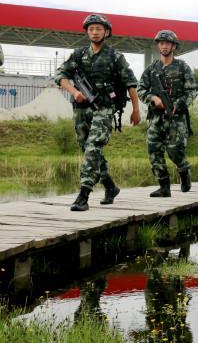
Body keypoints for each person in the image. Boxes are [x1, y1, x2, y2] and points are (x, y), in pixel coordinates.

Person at [54, 13, 141, 211]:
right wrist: (75, 92)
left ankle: (83, 195)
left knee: (93, 147)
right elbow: (60, 75)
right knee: (87, 148)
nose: (94, 32)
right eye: (91, 29)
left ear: (106, 32)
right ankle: (110, 186)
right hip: (81, 110)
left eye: (98, 29)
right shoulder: (78, 55)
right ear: (87, 32)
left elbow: (131, 83)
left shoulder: (115, 56)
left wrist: (136, 109)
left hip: (104, 109)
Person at [138, 30, 196, 197]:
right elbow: (141, 89)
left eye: (167, 43)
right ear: (158, 45)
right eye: (161, 43)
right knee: (154, 151)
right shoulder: (151, 69)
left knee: (175, 150)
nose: (164, 46)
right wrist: (153, 98)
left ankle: (184, 171)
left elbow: (191, 90)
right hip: (156, 118)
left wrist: (178, 104)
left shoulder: (182, 67)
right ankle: (164, 187)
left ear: (173, 46)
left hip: (176, 118)